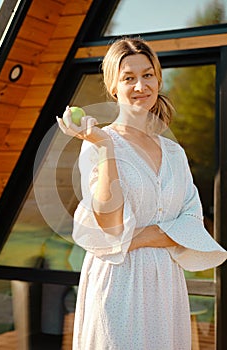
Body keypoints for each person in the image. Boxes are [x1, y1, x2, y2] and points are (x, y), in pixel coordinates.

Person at [56, 37, 227, 350]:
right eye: (128, 78)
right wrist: (105, 148)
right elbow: (109, 225)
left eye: (147, 75)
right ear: (113, 86)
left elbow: (192, 221)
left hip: (166, 286)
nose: (140, 86)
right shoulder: (97, 143)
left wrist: (139, 238)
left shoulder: (175, 153)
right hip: (118, 284)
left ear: (158, 79)